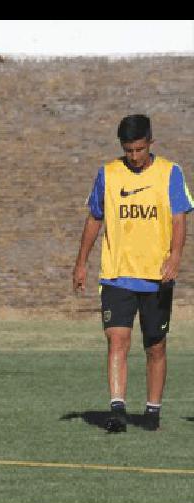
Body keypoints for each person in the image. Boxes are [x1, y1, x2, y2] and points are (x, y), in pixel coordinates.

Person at [73, 114, 192, 433]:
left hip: (156, 276)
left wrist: (175, 256)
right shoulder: (108, 175)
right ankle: (117, 410)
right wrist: (81, 261)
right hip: (117, 274)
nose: (134, 157)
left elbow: (179, 219)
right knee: (118, 340)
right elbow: (94, 218)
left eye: (139, 149)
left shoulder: (170, 173)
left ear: (150, 143)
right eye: (129, 150)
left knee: (155, 345)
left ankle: (152, 412)